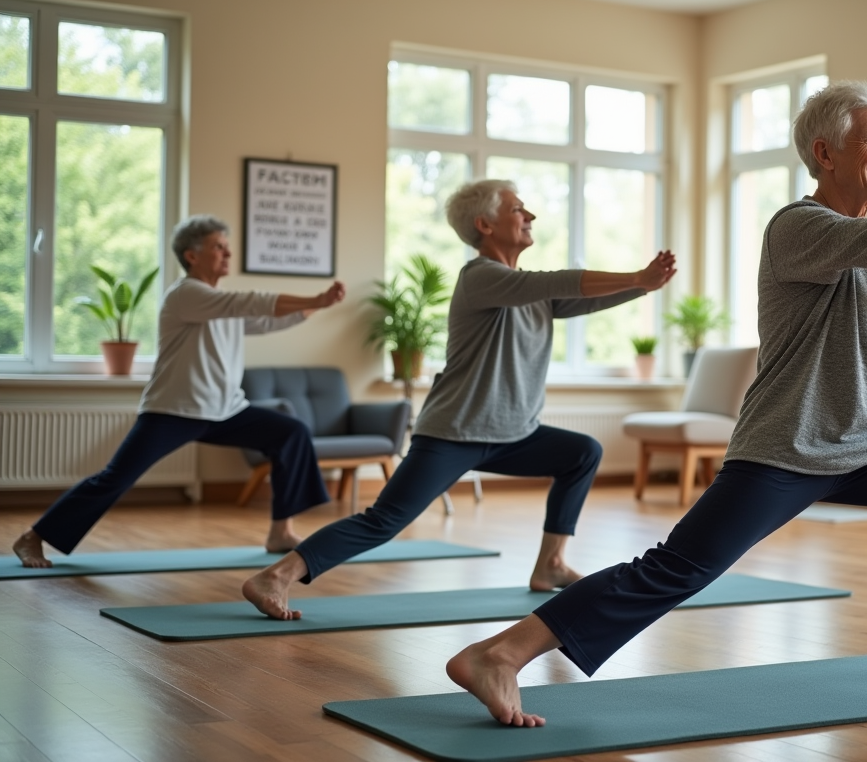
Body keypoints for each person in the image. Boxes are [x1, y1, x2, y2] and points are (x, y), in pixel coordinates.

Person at [445, 81, 867, 727]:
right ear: (826, 152)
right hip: (790, 445)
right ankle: (498, 653)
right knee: (676, 568)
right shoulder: (799, 227)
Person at [242, 179, 677, 619]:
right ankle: (274, 577)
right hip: (455, 432)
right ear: (484, 225)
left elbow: (577, 297)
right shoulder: (482, 277)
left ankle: (550, 564)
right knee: (384, 521)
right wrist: (637, 277)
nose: (530, 217)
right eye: (517, 209)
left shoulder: (532, 293)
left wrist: (644, 287)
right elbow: (558, 281)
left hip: (514, 433)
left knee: (582, 453)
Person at [11, 215, 345, 568]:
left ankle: (280, 532)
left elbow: (263, 319)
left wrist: (317, 306)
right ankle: (33, 537)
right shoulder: (188, 294)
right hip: (174, 410)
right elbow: (249, 303)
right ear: (192, 255)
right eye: (219, 246)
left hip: (225, 410)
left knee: (290, 433)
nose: (228, 252)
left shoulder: (217, 301)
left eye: (226, 246)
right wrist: (316, 298)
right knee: (115, 478)